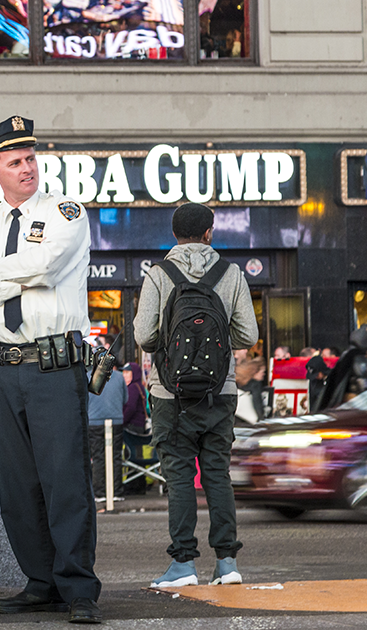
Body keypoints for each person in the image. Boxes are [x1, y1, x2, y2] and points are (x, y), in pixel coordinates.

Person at [0, 116, 102, 624]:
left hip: (54, 365)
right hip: (2, 368)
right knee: (17, 485)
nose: (27, 168)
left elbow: (48, 266)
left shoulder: (65, 211)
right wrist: (15, 275)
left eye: (31, 158)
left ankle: (78, 588)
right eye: (15, 162)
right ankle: (41, 583)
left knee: (65, 480)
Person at [134, 202, 257, 589]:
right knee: (217, 474)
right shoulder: (232, 274)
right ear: (209, 233)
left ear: (174, 235)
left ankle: (183, 564)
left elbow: (144, 336)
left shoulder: (158, 274)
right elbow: (247, 336)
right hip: (220, 393)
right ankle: (227, 563)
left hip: (171, 396)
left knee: (181, 477)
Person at [88, 362, 127, 500]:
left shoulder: (88, 377)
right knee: (116, 457)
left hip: (94, 422)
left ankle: (99, 492)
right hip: (116, 420)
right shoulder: (119, 377)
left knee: (98, 457)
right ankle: (116, 492)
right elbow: (125, 399)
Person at [313, 330, 367, 411]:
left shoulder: (346, 355)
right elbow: (364, 385)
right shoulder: (359, 359)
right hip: (354, 402)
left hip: (340, 401)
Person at [122, 362, 149, 495]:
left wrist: (123, 419)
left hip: (132, 425)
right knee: (138, 454)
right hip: (140, 425)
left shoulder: (132, 388)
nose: (124, 375)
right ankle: (140, 483)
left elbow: (130, 407)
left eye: (128, 372)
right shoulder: (140, 387)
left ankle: (134, 484)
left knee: (132, 454)